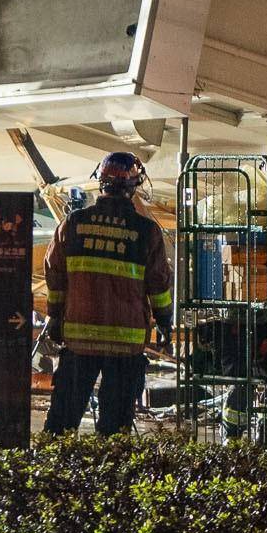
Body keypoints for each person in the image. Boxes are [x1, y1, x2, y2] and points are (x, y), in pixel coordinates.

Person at [42, 150, 169, 436]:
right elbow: (158, 284)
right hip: (125, 345)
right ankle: (110, 477)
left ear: (100, 182)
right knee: (114, 429)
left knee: (61, 424)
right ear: (133, 185)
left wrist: (54, 318)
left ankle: (53, 476)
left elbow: (55, 275)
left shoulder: (73, 225)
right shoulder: (146, 231)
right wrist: (165, 322)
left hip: (79, 341)